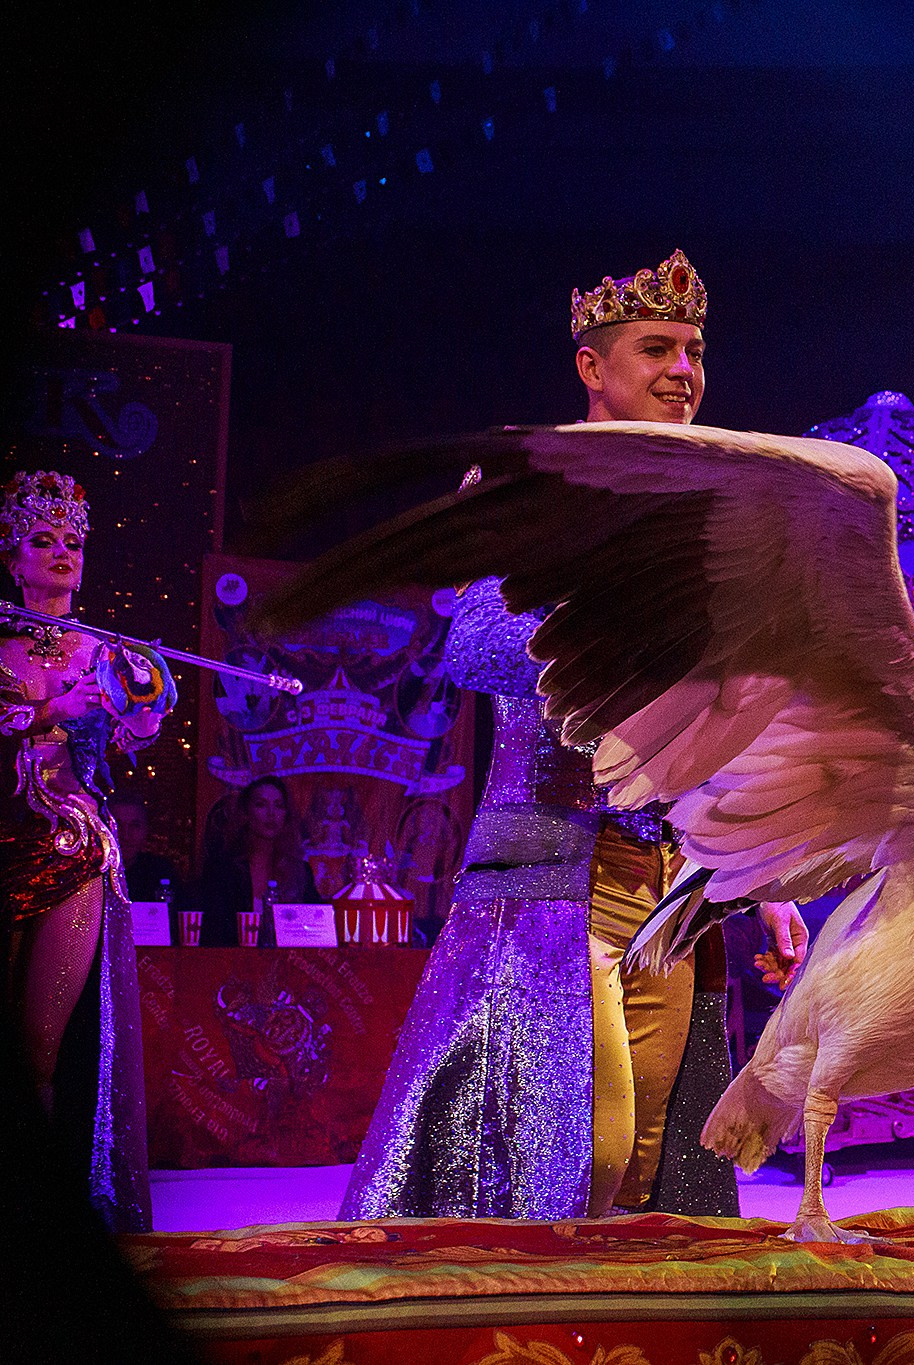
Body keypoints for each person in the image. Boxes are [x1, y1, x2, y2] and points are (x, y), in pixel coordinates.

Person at [344, 248, 808, 1221]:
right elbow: (472, 647)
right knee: (578, 1159)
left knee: (647, 1172)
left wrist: (756, 880)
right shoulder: (533, 486)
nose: (684, 370)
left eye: (694, 349)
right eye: (656, 348)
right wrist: (626, 623)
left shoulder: (706, 512)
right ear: (592, 369)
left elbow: (717, 728)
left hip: (669, 893)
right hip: (553, 884)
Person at [0, 470, 167, 1231]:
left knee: (40, 1047)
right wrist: (47, 708)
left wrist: (139, 693)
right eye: (42, 539)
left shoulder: (105, 651)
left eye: (73, 541)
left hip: (74, 853)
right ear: (12, 553)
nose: (62, 553)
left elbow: (143, 732)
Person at [195, 776, 319, 945]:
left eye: (279, 806)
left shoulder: (300, 872)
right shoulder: (224, 869)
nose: (271, 814)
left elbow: (318, 926)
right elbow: (214, 932)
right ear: (246, 814)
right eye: (261, 804)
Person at [109, 791, 182, 909]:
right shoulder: (92, 874)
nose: (126, 835)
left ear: (146, 829)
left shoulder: (159, 872)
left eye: (135, 825)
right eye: (118, 825)